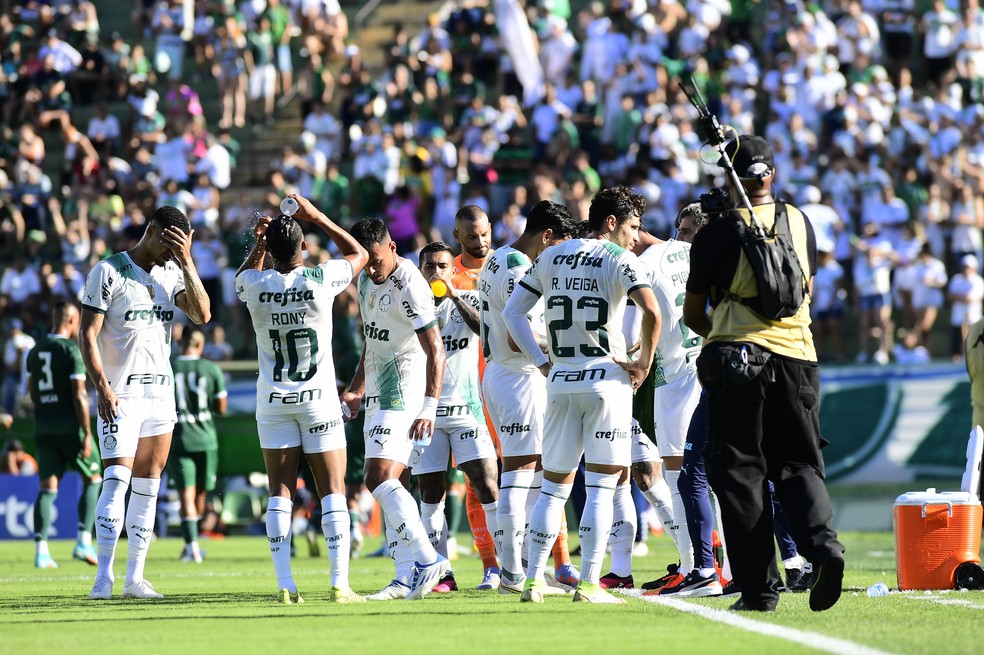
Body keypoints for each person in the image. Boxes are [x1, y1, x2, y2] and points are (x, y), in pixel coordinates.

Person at [682, 135, 845, 613]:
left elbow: (694, 314)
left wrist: (727, 331)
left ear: (730, 177)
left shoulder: (715, 233)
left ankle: (759, 589)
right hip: (800, 359)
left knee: (739, 473)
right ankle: (824, 548)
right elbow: (806, 287)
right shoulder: (800, 220)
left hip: (739, 362)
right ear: (770, 174)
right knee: (799, 464)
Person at [504, 186, 661, 604]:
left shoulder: (552, 254)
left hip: (560, 382)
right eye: (631, 226)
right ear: (611, 222)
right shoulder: (619, 259)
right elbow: (652, 311)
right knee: (602, 488)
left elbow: (512, 313)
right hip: (606, 381)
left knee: (553, 487)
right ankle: (591, 585)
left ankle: (533, 580)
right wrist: (643, 362)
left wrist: (541, 361)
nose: (635, 236)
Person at [236, 195, 368, 604]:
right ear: (304, 248)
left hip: (273, 400)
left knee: (280, 492)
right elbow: (358, 252)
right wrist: (316, 216)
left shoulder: (255, 285)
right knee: (332, 491)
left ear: (270, 250)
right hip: (317, 399)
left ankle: (285, 583)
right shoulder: (319, 279)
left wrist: (259, 244)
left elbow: (241, 278)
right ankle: (338, 583)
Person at [80, 205, 211, 601]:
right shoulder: (108, 271)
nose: (172, 253)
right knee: (117, 483)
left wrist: (187, 260)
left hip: (160, 395)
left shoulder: (173, 272)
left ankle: (135, 577)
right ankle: (102, 576)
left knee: (148, 487)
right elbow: (87, 335)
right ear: (151, 231)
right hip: (120, 393)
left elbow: (202, 314)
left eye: (180, 248)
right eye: (170, 245)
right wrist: (101, 386)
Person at [342, 218, 450, 601]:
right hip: (378, 395)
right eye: (364, 262)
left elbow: (435, 349)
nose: (371, 268)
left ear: (391, 246)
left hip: (405, 392)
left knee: (377, 477)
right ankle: (404, 577)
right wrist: (356, 389)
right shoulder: (365, 280)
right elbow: (372, 340)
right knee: (395, 484)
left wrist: (430, 406)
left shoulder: (412, 285)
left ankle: (428, 559)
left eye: (375, 259)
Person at [478, 200, 579, 594]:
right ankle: (512, 575)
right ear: (547, 236)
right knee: (519, 473)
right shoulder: (521, 268)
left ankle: (528, 570)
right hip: (518, 379)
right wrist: (563, 348)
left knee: (533, 471)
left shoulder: (498, 257)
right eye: (558, 246)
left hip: (504, 377)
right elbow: (514, 336)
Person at [411, 241, 500, 593]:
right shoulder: (411, 306)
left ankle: (504, 569)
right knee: (431, 496)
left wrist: (453, 296)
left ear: (453, 269)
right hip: (426, 415)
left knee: (488, 488)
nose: (436, 272)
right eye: (429, 266)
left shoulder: (471, 298)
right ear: (420, 271)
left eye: (442, 266)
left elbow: (485, 331)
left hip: (467, 412)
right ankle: (441, 573)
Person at [26, 302, 102, 569]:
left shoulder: (34, 351)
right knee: (94, 477)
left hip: (43, 426)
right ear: (72, 321)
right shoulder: (71, 350)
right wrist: (86, 433)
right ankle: (83, 540)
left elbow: (33, 394)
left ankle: (41, 552)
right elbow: (80, 394)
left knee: (47, 488)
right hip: (69, 425)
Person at [169, 326, 228, 564]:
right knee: (200, 496)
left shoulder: (169, 366)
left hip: (179, 438)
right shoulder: (210, 368)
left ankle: (190, 545)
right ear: (199, 345)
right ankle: (193, 545)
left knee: (186, 495)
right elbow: (221, 408)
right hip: (205, 440)